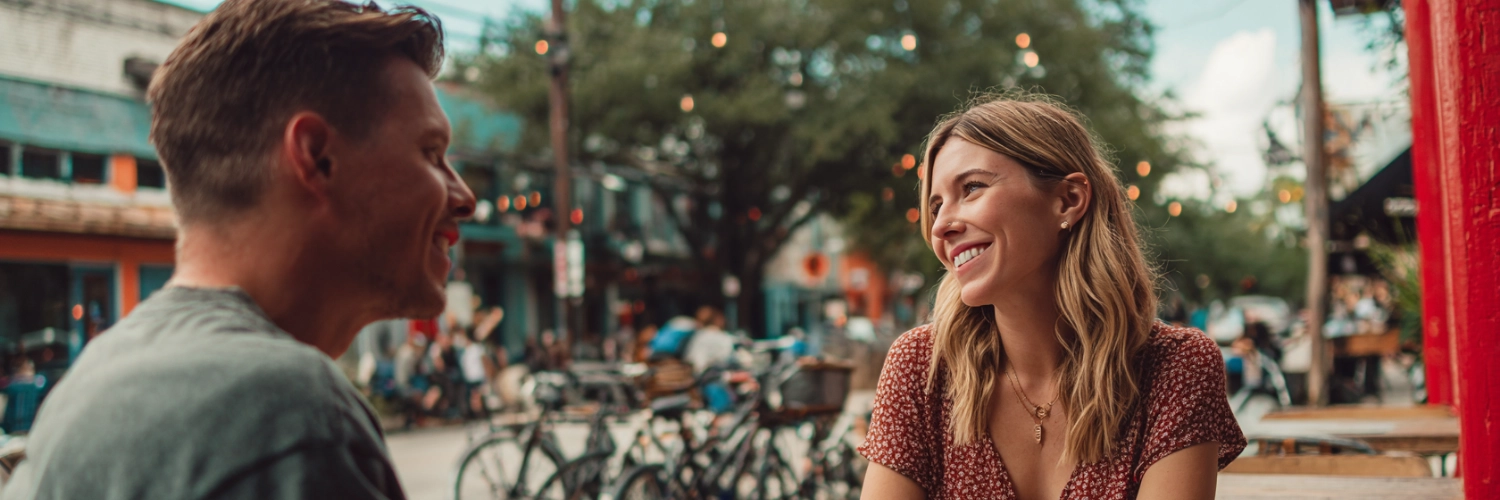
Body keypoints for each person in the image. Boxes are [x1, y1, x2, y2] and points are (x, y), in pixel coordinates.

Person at [0, 1, 474, 497]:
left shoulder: (86, 385)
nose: (465, 198)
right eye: (432, 154)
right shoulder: (289, 414)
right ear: (317, 156)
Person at [859, 94, 1244, 500]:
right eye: (936, 206)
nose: (941, 227)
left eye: (971, 188)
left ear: (1068, 200)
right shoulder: (921, 369)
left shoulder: (1174, 368)